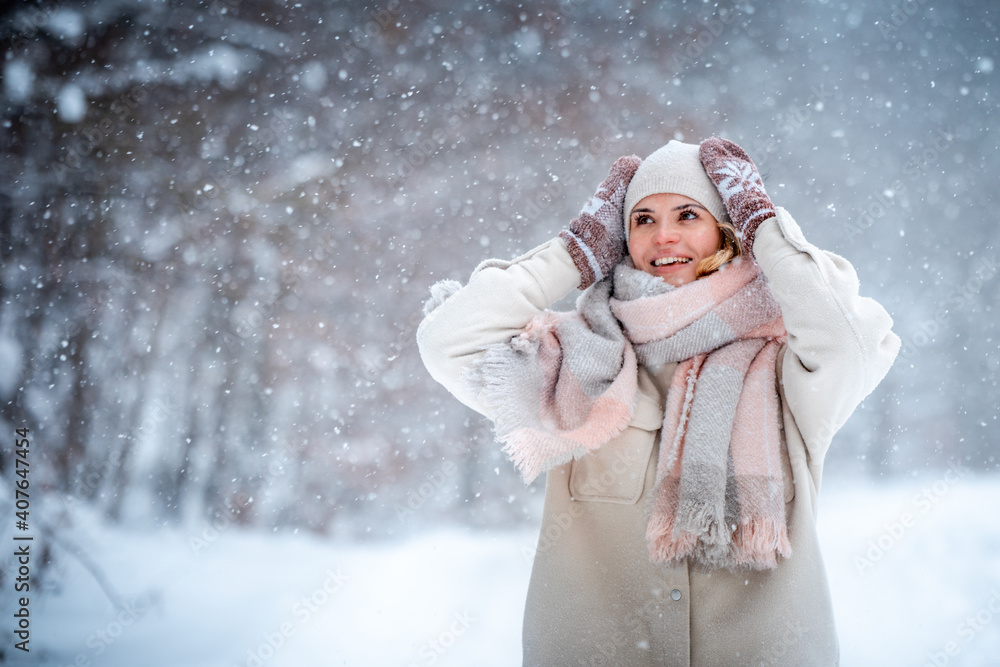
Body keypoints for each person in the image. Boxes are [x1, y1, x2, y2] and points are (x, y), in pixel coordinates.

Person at [417, 137, 900, 665]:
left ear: (727, 230)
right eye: (641, 219)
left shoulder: (789, 361)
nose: (662, 235)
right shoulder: (570, 362)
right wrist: (572, 253)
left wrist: (764, 228)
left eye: (688, 214)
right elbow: (447, 341)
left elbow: (851, 340)